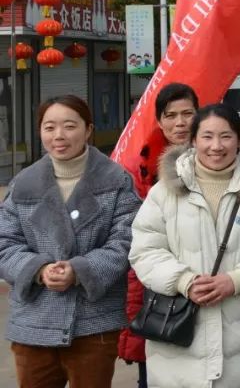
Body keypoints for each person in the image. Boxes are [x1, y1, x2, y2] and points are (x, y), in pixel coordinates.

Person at [129, 103, 240, 388]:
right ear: (193, 140)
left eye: (226, 136)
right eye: (207, 136)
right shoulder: (164, 191)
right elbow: (145, 250)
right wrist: (184, 280)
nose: (216, 146)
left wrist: (236, 280)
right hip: (179, 343)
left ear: (239, 141)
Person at [0, 95, 140, 388]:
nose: (59, 136)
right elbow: (4, 243)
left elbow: (127, 241)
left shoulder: (116, 181)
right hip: (34, 322)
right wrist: (38, 269)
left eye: (69, 126)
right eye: (49, 127)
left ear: (88, 129)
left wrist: (80, 270)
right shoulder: (23, 185)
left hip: (94, 323)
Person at [119, 82, 200, 388]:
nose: (180, 122)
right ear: (159, 120)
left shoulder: (220, 158)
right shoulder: (139, 168)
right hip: (156, 290)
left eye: (188, 113)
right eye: (171, 115)